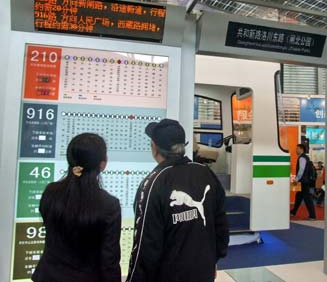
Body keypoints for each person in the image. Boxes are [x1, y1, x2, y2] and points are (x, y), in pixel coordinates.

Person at [126, 119, 229, 282]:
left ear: (154, 147)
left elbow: (145, 244)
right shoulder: (205, 173)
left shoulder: (154, 183)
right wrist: (212, 259)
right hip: (204, 272)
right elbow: (221, 224)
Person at [32, 133, 121, 282]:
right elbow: (109, 261)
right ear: (102, 163)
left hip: (48, 276)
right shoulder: (109, 205)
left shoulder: (50, 193)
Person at [290, 144, 316, 220]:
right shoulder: (305, 157)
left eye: (297, 148)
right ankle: (293, 211)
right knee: (298, 196)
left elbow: (301, 170)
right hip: (304, 181)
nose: (296, 150)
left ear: (301, 149)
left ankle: (312, 216)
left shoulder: (302, 158)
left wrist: (296, 179)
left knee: (307, 198)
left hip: (303, 181)